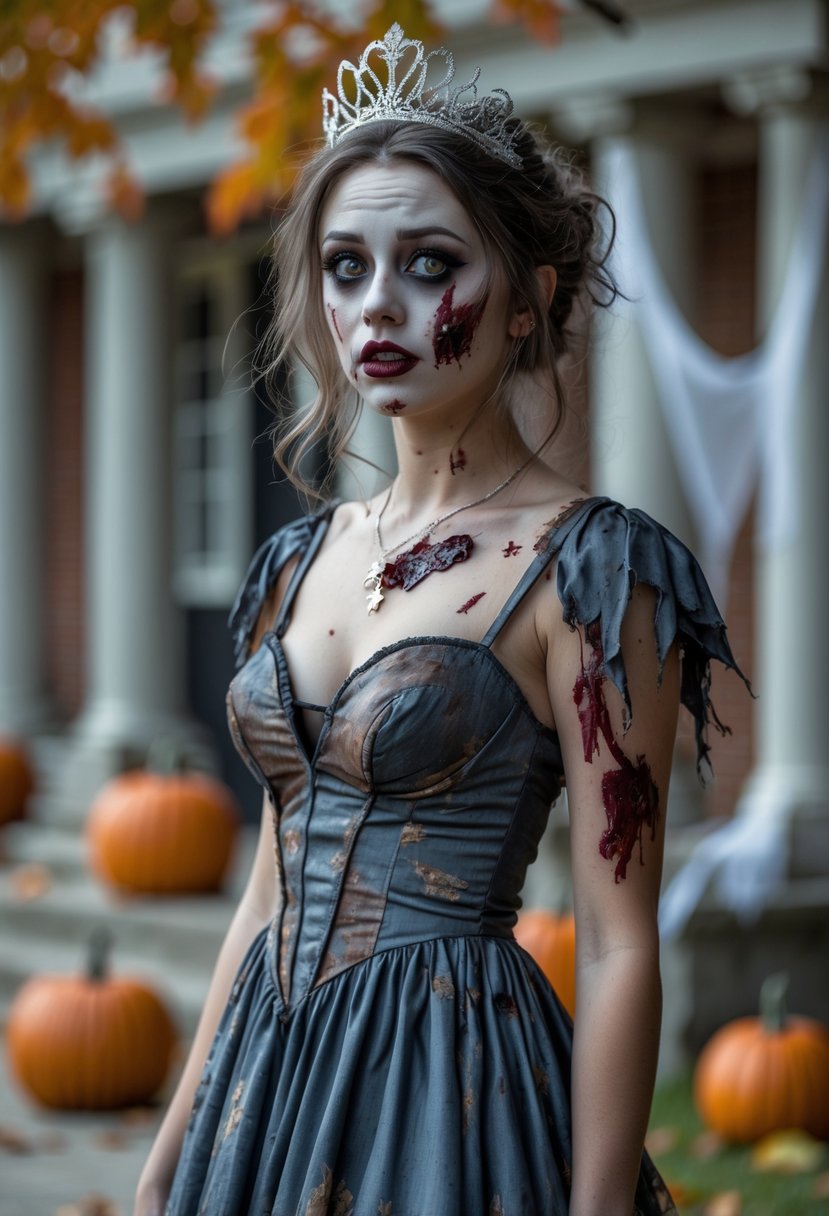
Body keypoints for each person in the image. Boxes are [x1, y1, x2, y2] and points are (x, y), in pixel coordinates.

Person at [136, 24, 747, 1216]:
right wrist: (168, 1160)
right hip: (262, 1085)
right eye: (347, 266)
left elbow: (621, 943)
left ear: (528, 302)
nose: (380, 307)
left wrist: (596, 1204)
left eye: (429, 264)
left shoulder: (591, 570)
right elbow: (264, 897)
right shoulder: (296, 558)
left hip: (444, 1093)